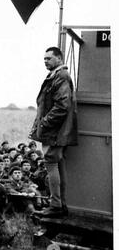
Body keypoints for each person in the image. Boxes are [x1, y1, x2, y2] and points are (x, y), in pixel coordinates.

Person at [29, 46, 78, 218]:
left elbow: (62, 106)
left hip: (54, 132)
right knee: (58, 163)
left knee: (51, 163)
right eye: (44, 59)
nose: (45, 61)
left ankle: (56, 205)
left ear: (59, 58)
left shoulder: (61, 76)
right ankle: (60, 204)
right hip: (56, 131)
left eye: (48, 58)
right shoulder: (57, 75)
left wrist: (44, 122)